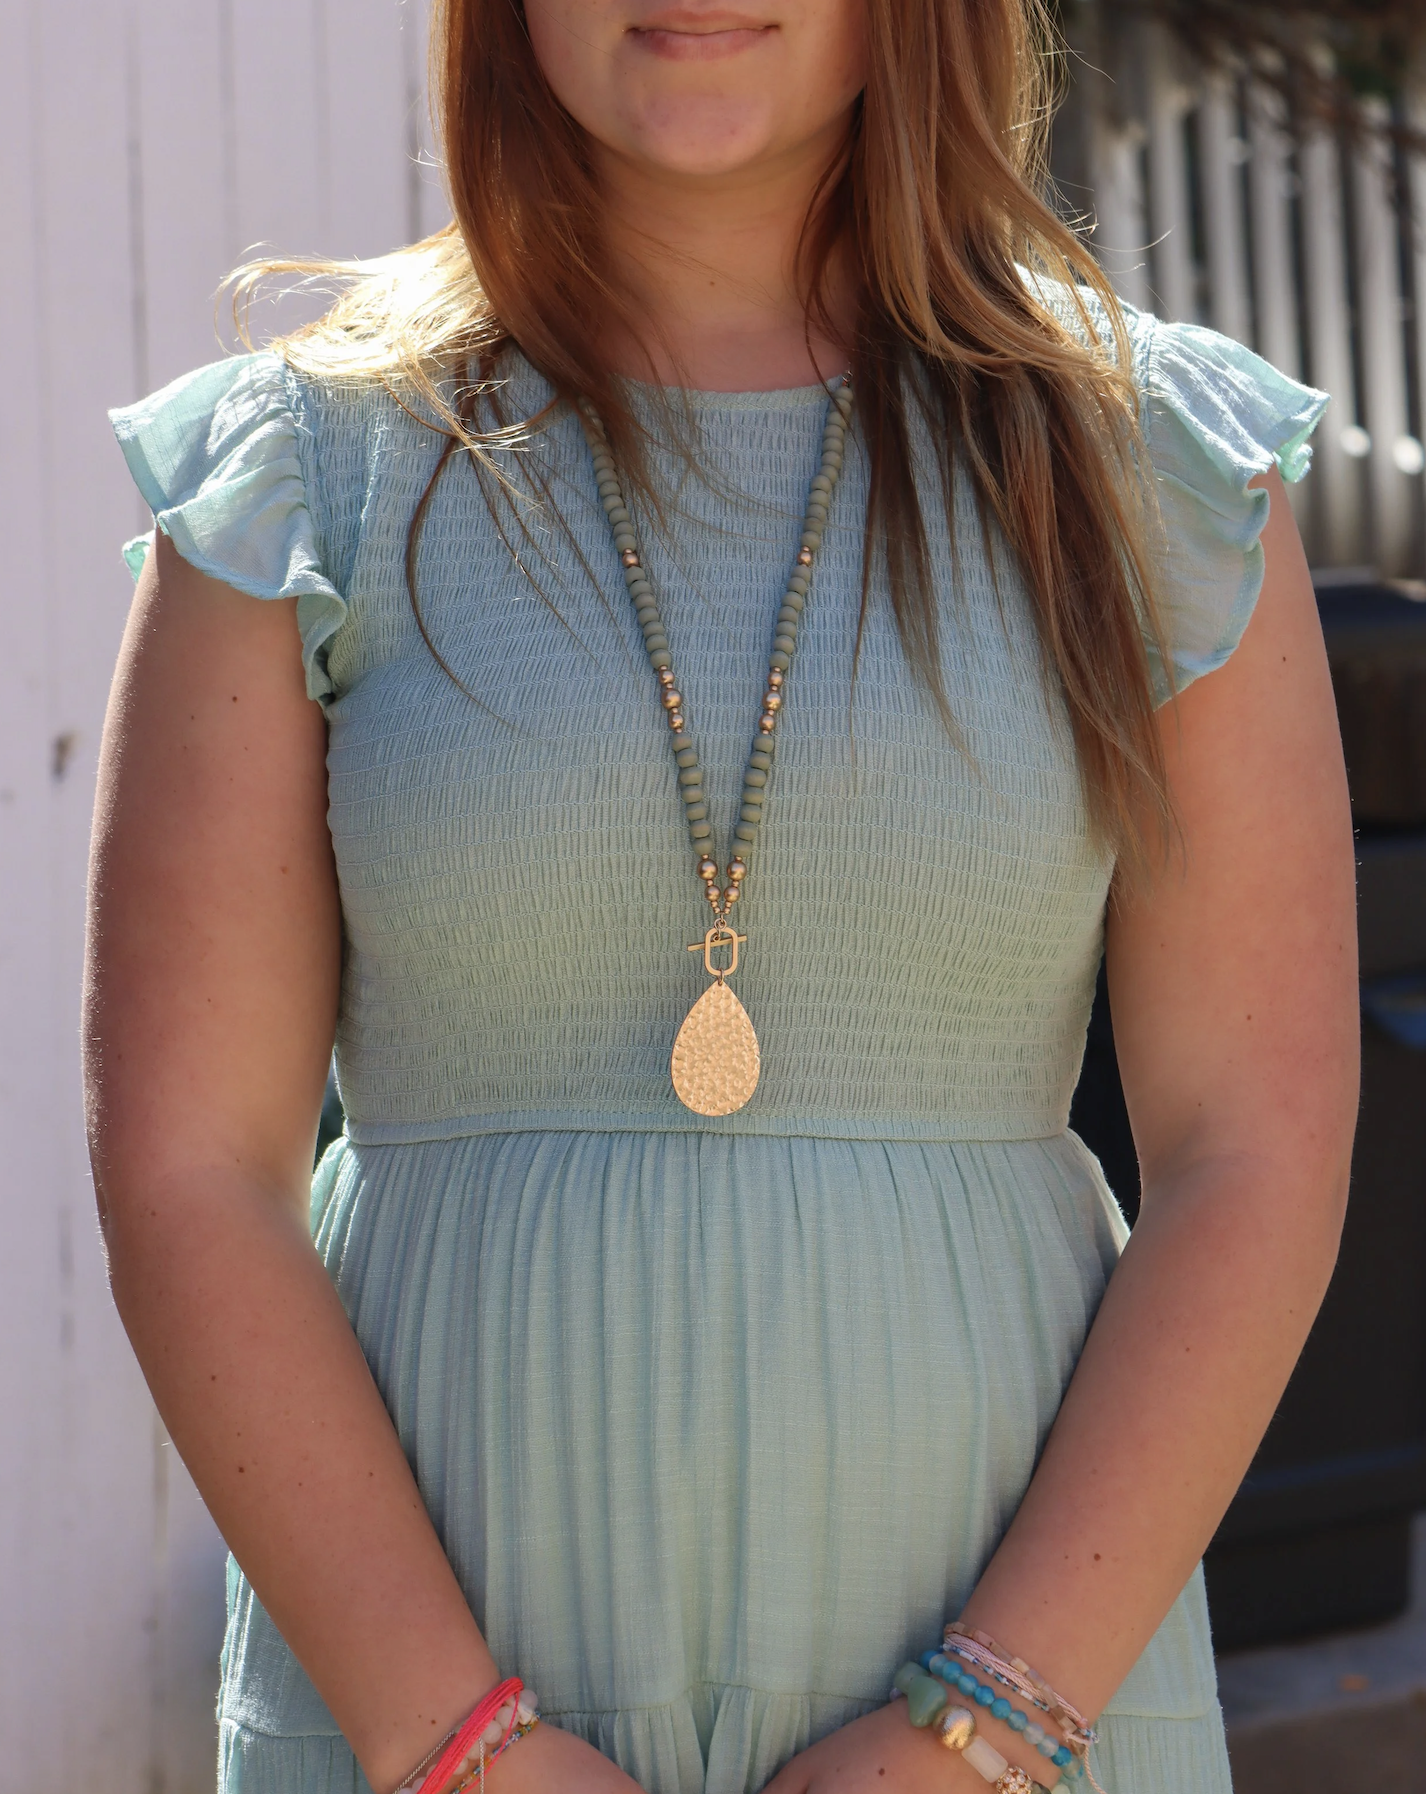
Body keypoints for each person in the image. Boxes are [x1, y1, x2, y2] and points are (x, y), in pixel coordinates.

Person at [85, 0, 1358, 1789]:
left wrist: (981, 1729)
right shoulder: (303, 474)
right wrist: (451, 1744)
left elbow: (1257, 1148)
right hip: (422, 1711)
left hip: (1011, 1715)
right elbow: (188, 1171)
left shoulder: (1142, 465)